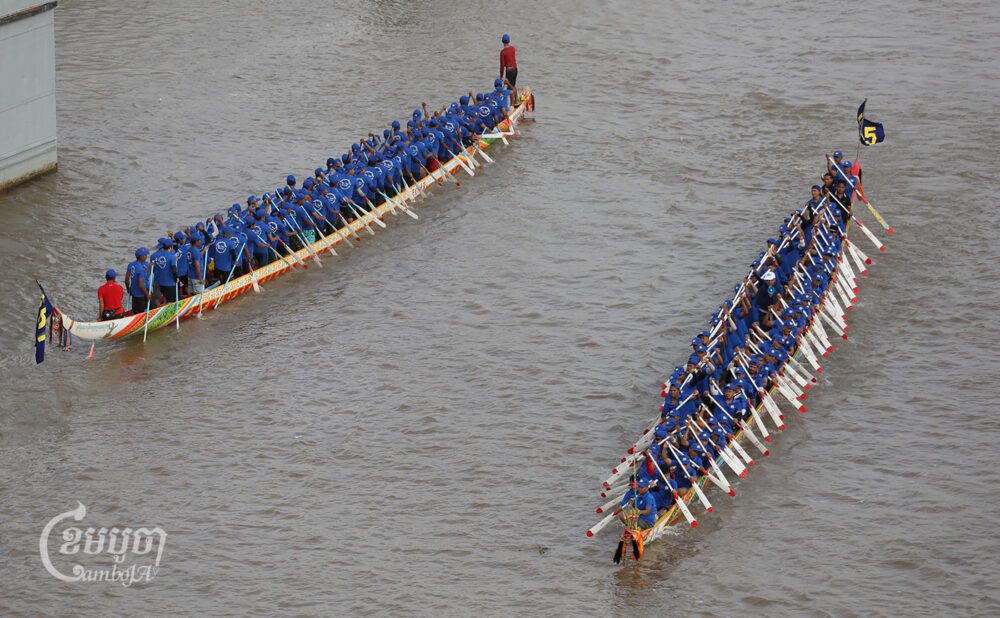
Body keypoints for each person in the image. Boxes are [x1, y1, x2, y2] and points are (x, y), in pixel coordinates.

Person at [150, 238, 178, 305]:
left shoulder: (153, 256)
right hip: (170, 283)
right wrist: (176, 278)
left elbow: (153, 270)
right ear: (171, 247)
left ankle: (159, 308)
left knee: (158, 299)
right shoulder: (172, 256)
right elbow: (174, 270)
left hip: (158, 281)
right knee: (170, 302)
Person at [126, 248, 152, 315]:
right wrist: (147, 294)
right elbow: (141, 285)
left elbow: (126, 279)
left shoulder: (131, 265)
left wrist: (128, 289)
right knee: (142, 313)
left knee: (135, 311)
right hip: (141, 295)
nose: (146, 256)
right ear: (142, 257)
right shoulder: (141, 269)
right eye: (145, 255)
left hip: (134, 292)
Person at [499, 34, 518, 106]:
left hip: (509, 71)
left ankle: (512, 105)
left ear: (502, 42)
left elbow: (502, 65)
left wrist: (501, 76)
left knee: (509, 89)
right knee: (513, 85)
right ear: (509, 41)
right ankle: (516, 101)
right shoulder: (513, 49)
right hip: (515, 70)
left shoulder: (503, 52)